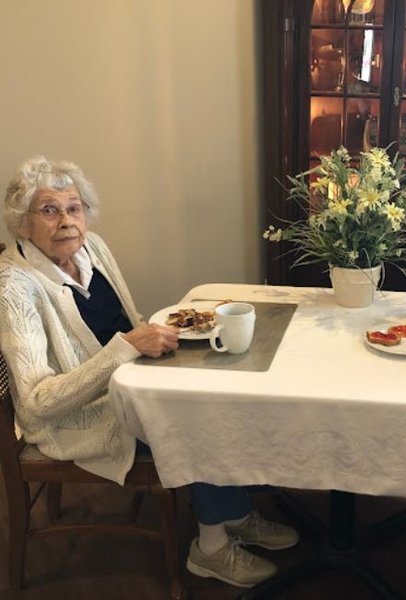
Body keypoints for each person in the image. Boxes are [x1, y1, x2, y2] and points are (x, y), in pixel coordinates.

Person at [0, 156, 298, 589]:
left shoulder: (91, 248)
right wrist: (126, 349)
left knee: (217, 388)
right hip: (75, 417)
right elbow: (38, 403)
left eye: (74, 207)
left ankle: (232, 512)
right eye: (49, 210)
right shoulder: (13, 288)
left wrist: (156, 340)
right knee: (191, 415)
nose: (66, 221)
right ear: (21, 223)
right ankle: (210, 549)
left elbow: (127, 319)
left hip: (129, 379)